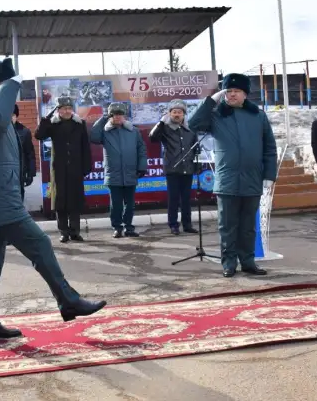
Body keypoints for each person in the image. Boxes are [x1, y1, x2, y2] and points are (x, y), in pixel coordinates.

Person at [0, 57, 106, 341]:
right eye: (9, 86)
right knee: (40, 244)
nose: (13, 92)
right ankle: (68, 300)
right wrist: (9, 85)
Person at [188, 73, 277, 278]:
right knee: (227, 226)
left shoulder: (258, 116)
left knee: (248, 226)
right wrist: (212, 100)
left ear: (245, 94)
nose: (232, 94)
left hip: (253, 178)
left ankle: (248, 262)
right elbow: (193, 124)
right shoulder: (217, 114)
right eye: (228, 91)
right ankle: (229, 263)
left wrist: (269, 175)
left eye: (236, 91)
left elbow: (269, 148)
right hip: (227, 180)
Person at [34, 96, 92, 243]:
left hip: (76, 168)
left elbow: (85, 146)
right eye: (63, 109)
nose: (66, 111)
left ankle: (75, 232)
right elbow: (39, 135)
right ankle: (63, 232)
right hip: (58, 169)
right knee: (60, 201)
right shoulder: (53, 124)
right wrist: (45, 120)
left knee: (75, 201)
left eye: (69, 108)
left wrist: (86, 166)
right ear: (58, 110)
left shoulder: (79, 124)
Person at [90, 102, 147, 238]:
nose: (118, 117)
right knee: (116, 205)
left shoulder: (134, 131)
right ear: (111, 116)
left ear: (124, 116)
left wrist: (142, 166)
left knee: (130, 204)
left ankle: (129, 227)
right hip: (113, 173)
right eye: (114, 115)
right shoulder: (104, 131)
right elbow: (93, 137)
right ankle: (117, 227)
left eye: (120, 115)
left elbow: (141, 149)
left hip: (130, 172)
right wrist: (104, 118)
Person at [149, 99, 198, 235]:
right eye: (174, 112)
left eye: (180, 112)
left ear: (184, 114)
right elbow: (152, 138)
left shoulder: (190, 129)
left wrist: (197, 161)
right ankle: (173, 225)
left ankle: (187, 225)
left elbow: (195, 147)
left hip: (187, 168)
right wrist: (161, 122)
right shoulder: (165, 127)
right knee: (173, 198)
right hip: (172, 168)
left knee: (187, 198)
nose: (177, 114)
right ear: (169, 113)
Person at [12, 104, 37, 201]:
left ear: (16, 116)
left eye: (12, 115)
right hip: (4, 175)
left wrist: (31, 173)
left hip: (20, 173)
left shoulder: (24, 131)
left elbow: (30, 154)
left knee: (19, 200)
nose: (10, 118)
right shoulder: (0, 132)